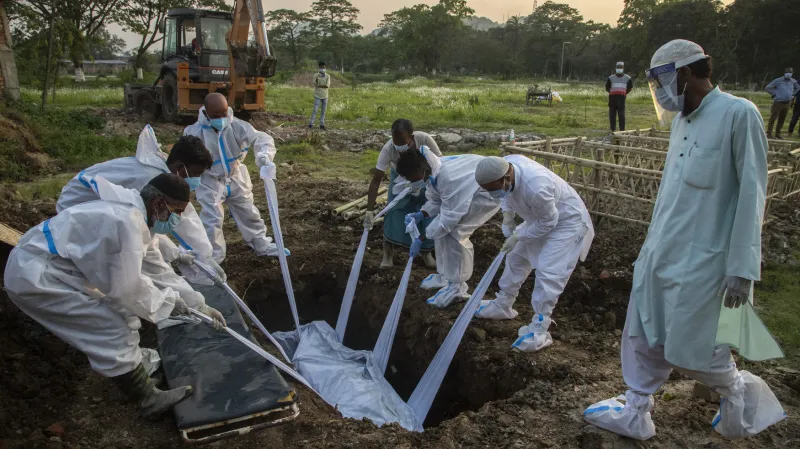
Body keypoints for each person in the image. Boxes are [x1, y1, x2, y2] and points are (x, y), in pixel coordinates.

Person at [584, 39, 785, 440]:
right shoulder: (682, 121)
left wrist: (742, 268)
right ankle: (637, 409)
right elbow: (671, 194)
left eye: (660, 82)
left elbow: (752, 194)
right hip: (662, 249)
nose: (658, 93)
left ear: (685, 74)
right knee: (641, 328)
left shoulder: (737, 114)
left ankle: (738, 395)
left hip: (704, 260)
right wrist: (648, 250)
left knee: (695, 345)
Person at [4, 174, 227, 418]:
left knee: (121, 314)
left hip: (55, 269)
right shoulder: (125, 224)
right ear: (159, 204)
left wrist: (198, 304)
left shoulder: (137, 215)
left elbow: (156, 269)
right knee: (110, 325)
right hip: (38, 278)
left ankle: (135, 370)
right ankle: (147, 398)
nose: (178, 218)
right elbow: (127, 288)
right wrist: (171, 304)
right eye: (178, 211)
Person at [57, 125, 221, 283]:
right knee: (122, 260)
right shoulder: (150, 179)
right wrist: (202, 255)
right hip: (79, 205)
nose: (196, 180)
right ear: (179, 167)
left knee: (140, 244)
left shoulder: (163, 170)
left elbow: (181, 217)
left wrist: (193, 255)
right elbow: (181, 222)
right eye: (194, 174)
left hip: (96, 202)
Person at [473, 156, 594, 353]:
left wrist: (518, 235)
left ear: (507, 177)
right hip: (539, 217)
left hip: (566, 222)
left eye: (493, 189)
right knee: (516, 257)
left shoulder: (537, 187)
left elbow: (549, 222)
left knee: (549, 270)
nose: (491, 193)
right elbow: (506, 196)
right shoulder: (503, 167)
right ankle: (504, 303)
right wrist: (508, 216)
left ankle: (540, 327)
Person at [184, 92, 288, 262]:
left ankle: (260, 244)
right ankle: (214, 257)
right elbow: (186, 155)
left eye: (223, 114)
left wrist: (264, 155)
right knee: (212, 220)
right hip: (210, 180)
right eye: (215, 116)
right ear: (206, 113)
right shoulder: (194, 132)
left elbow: (261, 138)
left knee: (248, 211)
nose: (221, 119)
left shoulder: (237, 126)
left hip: (236, 176)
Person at [396, 151, 500, 307]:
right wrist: (421, 214)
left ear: (419, 170)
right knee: (442, 232)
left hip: (486, 193)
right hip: (462, 194)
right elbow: (437, 200)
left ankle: (457, 286)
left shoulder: (448, 178)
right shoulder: (431, 170)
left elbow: (448, 220)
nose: (412, 182)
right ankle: (445, 275)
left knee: (455, 232)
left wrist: (421, 238)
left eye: (411, 178)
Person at [362, 119, 440, 269]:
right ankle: (388, 254)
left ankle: (426, 253)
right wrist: (369, 212)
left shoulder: (424, 140)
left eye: (402, 142)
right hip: (400, 177)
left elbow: (440, 164)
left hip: (424, 176)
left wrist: (426, 182)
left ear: (411, 137)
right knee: (394, 209)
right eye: (395, 142)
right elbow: (376, 180)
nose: (399, 147)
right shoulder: (388, 149)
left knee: (427, 210)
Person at [765, 67, 800, 139]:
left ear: (792, 74)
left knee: (782, 119)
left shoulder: (793, 81)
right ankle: (769, 133)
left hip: (787, 103)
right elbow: (768, 87)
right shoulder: (778, 80)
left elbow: (798, 88)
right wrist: (775, 94)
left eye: (790, 73)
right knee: (773, 118)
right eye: (787, 72)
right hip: (778, 102)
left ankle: (778, 134)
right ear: (784, 73)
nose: (788, 74)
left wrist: (793, 94)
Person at [605, 61, 634, 132]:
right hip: (612, 100)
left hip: (621, 100)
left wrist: (623, 93)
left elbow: (630, 88)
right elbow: (607, 87)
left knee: (621, 116)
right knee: (612, 116)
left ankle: (622, 131)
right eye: (618, 67)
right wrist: (613, 92)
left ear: (623, 68)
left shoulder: (628, 78)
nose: (619, 69)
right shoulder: (611, 78)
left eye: (620, 67)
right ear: (616, 68)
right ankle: (613, 130)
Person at [309, 61, 330, 130]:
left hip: (325, 95)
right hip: (317, 95)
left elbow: (327, 86)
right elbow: (314, 84)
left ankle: (322, 124)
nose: (322, 68)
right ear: (319, 67)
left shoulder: (328, 76)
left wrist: (319, 85)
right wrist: (320, 85)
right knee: (315, 109)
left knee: (323, 111)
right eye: (321, 67)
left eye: (323, 67)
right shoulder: (316, 75)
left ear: (325, 67)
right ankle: (311, 124)